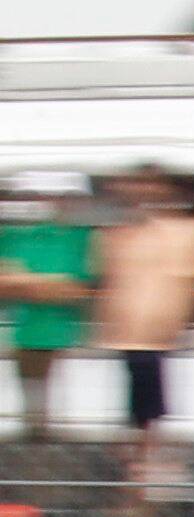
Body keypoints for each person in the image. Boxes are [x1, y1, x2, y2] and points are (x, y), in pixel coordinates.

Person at [91, 166, 194, 445]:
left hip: (167, 334)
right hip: (124, 331)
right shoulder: (112, 234)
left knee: (152, 395)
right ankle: (137, 453)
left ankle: (149, 449)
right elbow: (102, 279)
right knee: (134, 394)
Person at [3, 171, 95, 440]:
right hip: (23, 332)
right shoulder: (12, 235)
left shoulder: (81, 237)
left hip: (71, 335)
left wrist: (24, 281)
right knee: (33, 418)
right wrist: (45, 285)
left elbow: (75, 290)